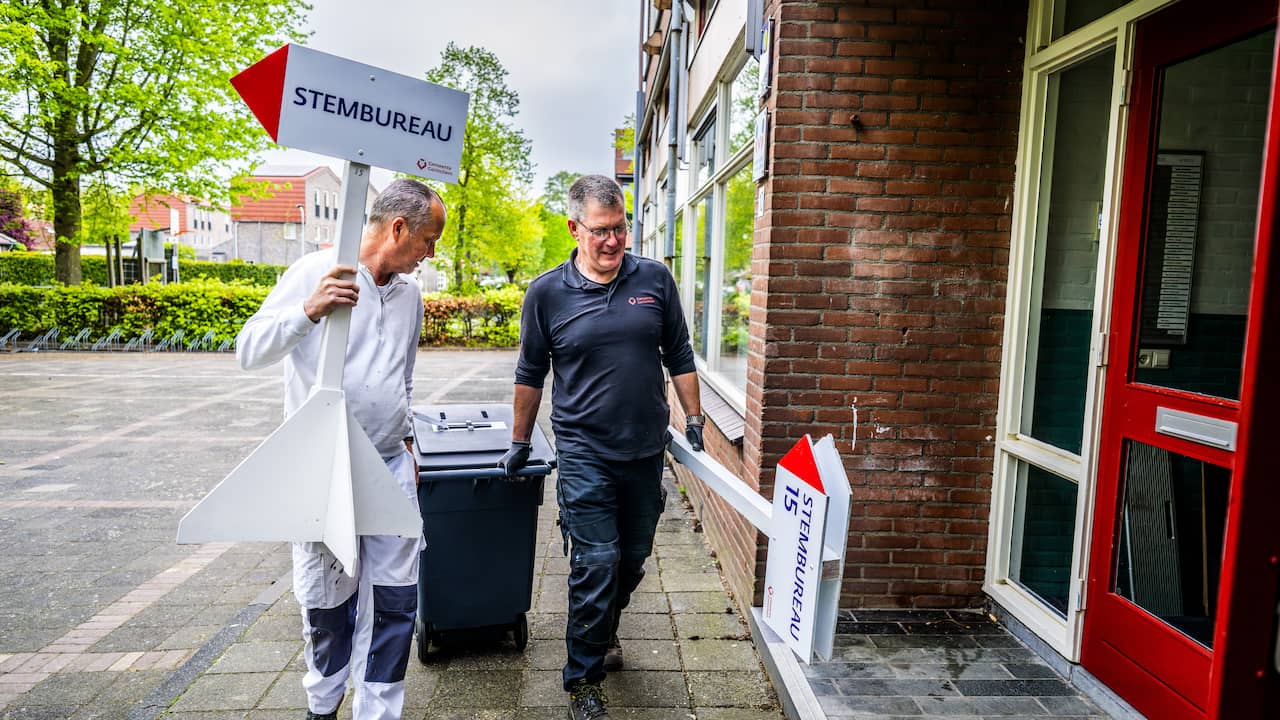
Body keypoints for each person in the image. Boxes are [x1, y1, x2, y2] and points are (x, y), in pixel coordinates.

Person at [235, 178, 445, 720]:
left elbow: (403, 376)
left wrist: (410, 444)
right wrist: (308, 310)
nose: (430, 252)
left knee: (397, 602)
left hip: (391, 464)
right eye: (428, 239)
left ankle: (378, 713)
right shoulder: (315, 271)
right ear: (398, 228)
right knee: (328, 602)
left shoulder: (410, 295)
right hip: (323, 472)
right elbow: (248, 349)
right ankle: (322, 708)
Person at [498, 175, 704, 720]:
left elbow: (679, 352)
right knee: (596, 561)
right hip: (585, 449)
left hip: (644, 450)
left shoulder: (654, 280)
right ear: (574, 228)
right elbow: (530, 372)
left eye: (621, 229)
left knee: (632, 560)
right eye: (601, 231)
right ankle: (582, 680)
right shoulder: (547, 292)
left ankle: (604, 628)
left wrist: (696, 418)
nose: (613, 241)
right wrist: (519, 441)